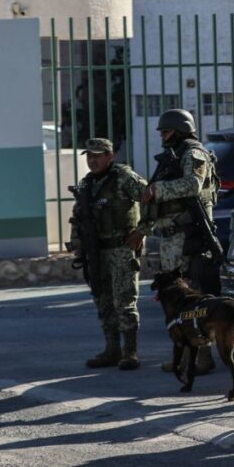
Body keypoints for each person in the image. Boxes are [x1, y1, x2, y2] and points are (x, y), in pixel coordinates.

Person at [127, 109, 219, 375]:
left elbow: (192, 184)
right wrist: (142, 229)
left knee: (192, 301)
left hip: (189, 240)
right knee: (175, 303)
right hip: (169, 242)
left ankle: (202, 356)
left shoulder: (194, 154)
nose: (163, 137)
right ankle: (184, 354)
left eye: (166, 132)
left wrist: (158, 189)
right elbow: (156, 203)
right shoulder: (172, 158)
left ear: (180, 130)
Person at [67, 138, 149, 371]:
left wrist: (142, 231)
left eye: (97, 155)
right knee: (102, 301)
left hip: (122, 249)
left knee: (124, 301)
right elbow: (79, 217)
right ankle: (111, 349)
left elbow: (151, 199)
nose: (92, 160)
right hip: (96, 251)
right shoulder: (87, 184)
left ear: (109, 156)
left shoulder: (124, 177)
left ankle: (130, 352)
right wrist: (77, 245)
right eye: (89, 156)